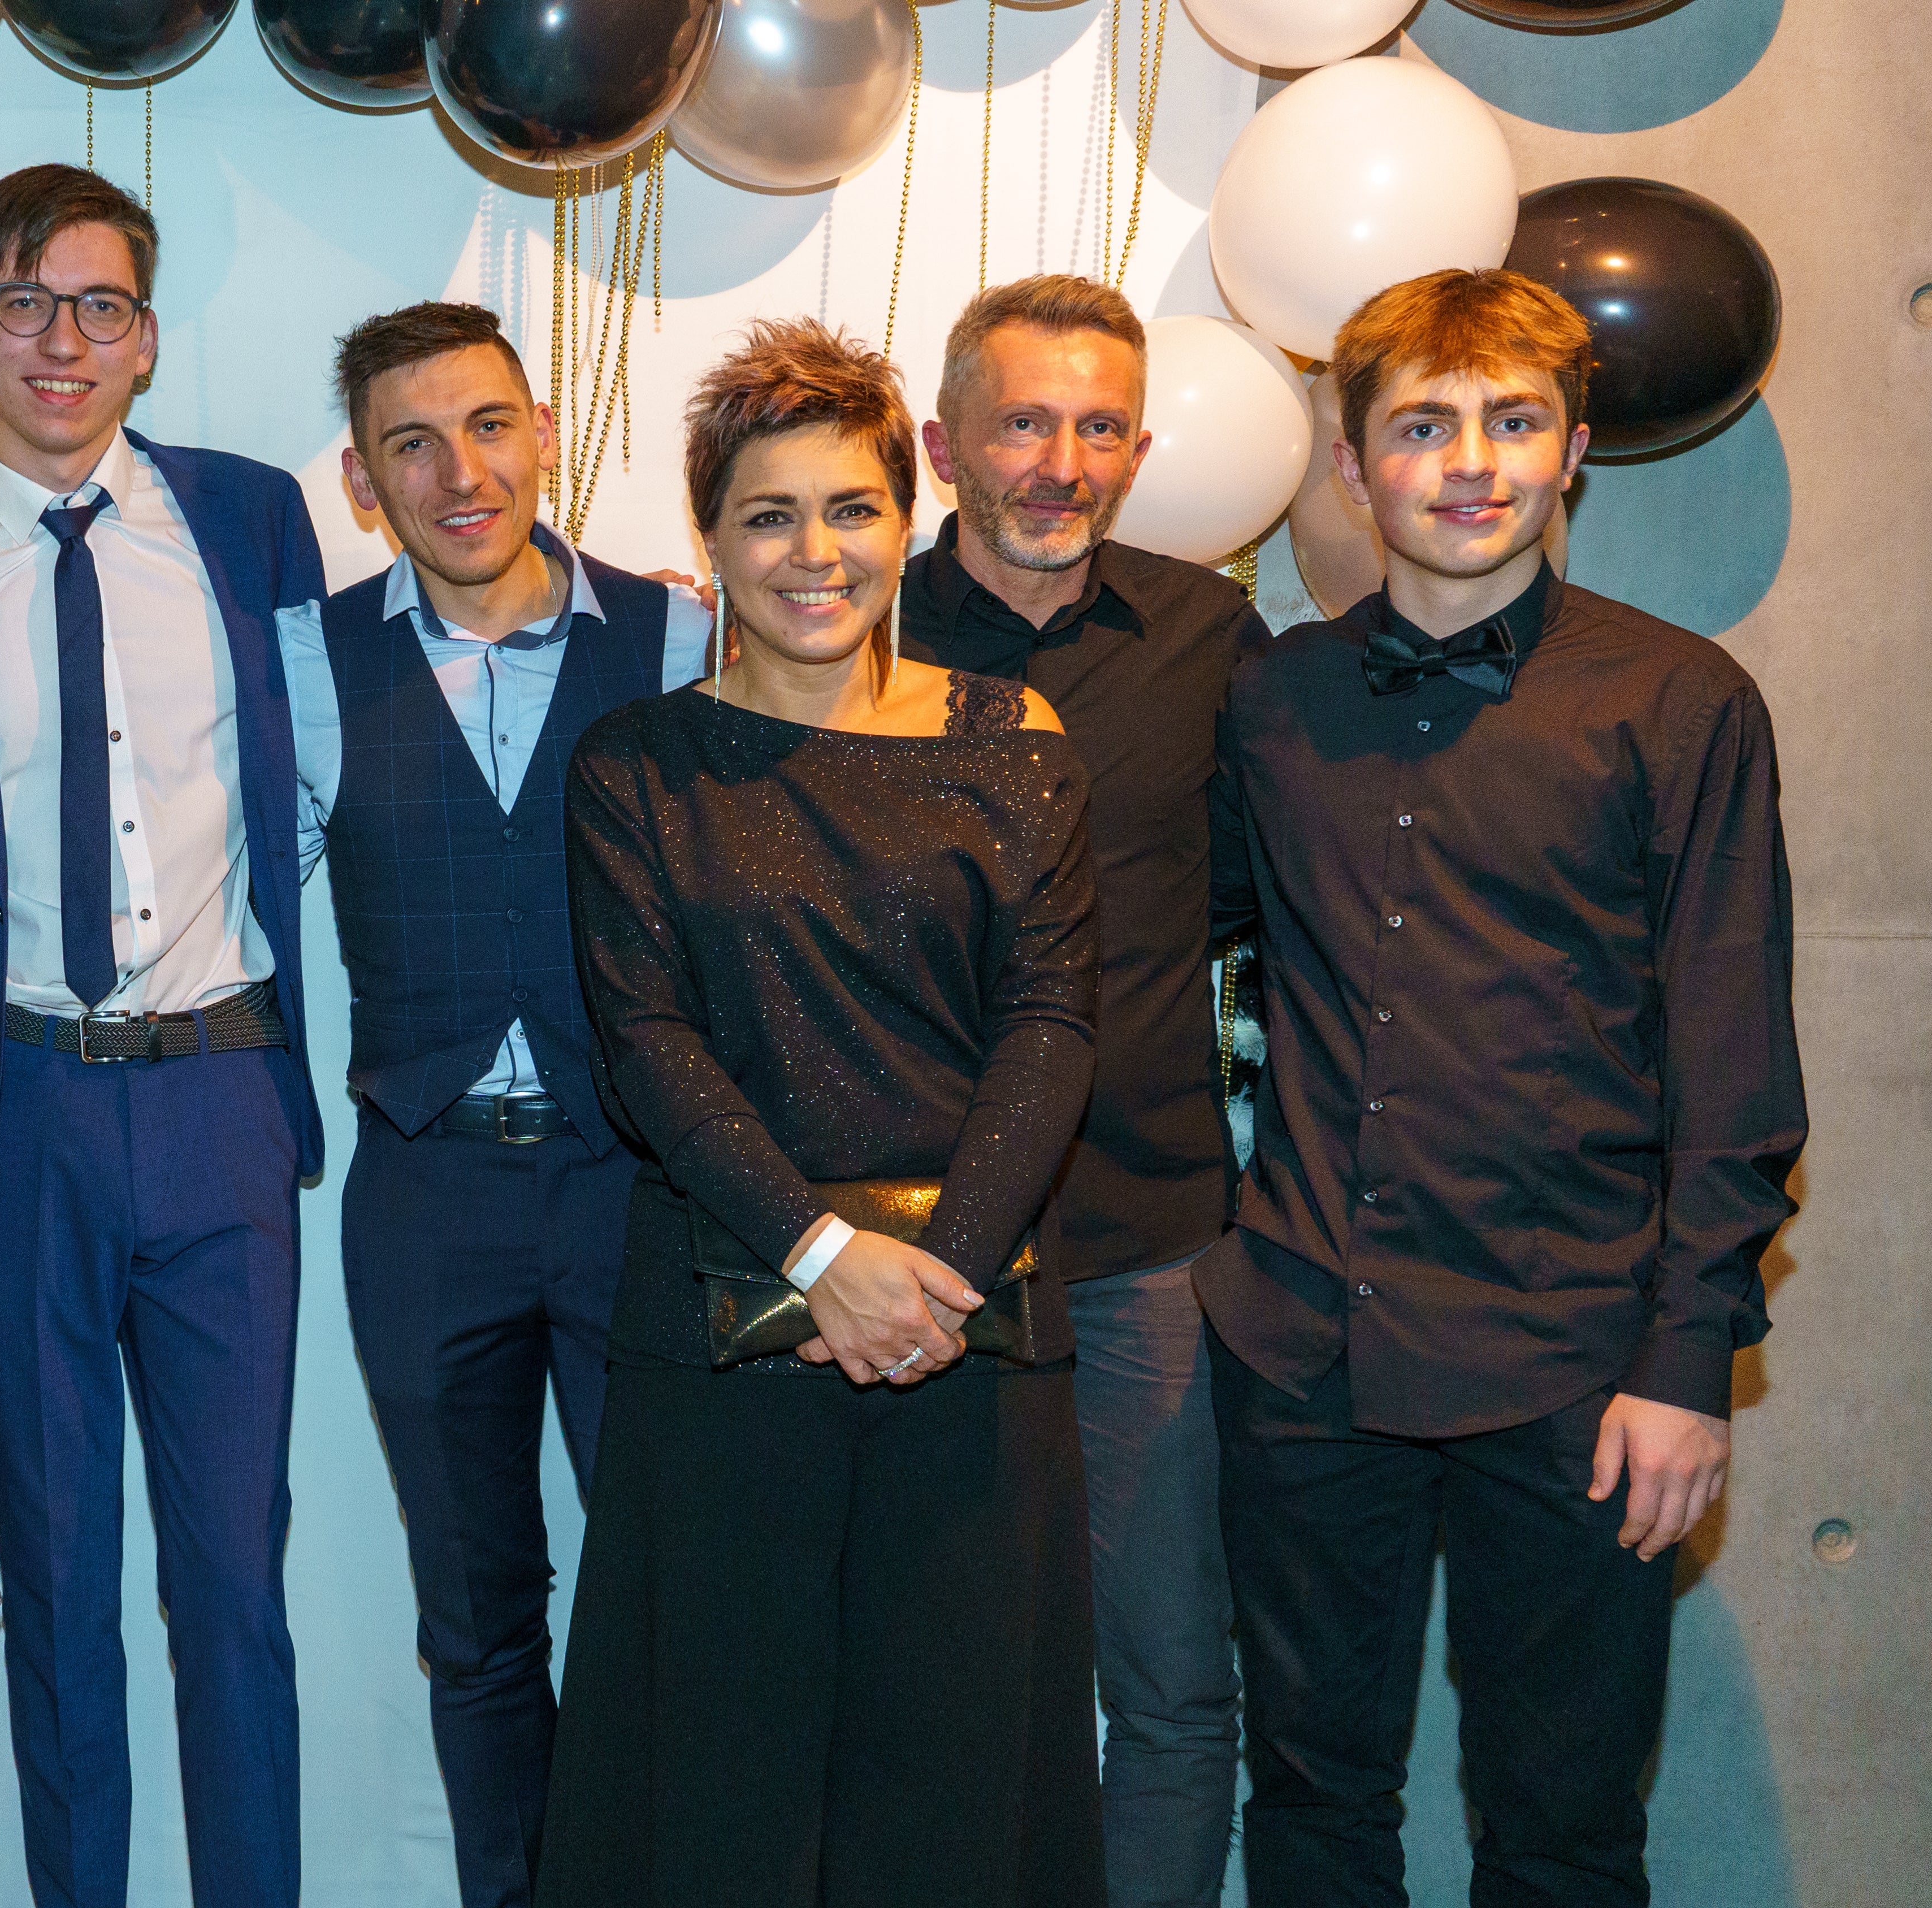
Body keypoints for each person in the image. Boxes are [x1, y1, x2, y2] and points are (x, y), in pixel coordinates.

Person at [1205, 267, 1804, 1907]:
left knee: (1565, 1830)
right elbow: (1164, 952)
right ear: (1353, 467)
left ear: (1573, 452)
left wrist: (1688, 1361)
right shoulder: (1272, 699)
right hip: (1307, 1345)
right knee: (1312, 1802)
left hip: (1579, 1364)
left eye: (1513, 421)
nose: (1471, 463)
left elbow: (1737, 1064)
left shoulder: (1683, 703)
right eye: (1423, 426)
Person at [539, 316, 1104, 1908]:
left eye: (851, 508)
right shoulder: (635, 766)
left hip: (971, 1336)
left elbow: (1053, 1023)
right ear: (712, 541)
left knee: (958, 1781)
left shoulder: (1016, 741)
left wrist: (941, 1275)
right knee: (721, 1787)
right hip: (723, 1339)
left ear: (905, 519)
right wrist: (822, 1258)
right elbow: (646, 1046)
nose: (815, 553)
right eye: (769, 515)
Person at [0, 163, 326, 1908]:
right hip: (12, 1119)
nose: (61, 340)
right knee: (55, 1590)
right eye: (22, 304)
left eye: (99, 305)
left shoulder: (252, 520)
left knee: (234, 1587)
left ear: (148, 338)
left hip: (222, 1099)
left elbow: (337, 741)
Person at [276, 300, 708, 1908]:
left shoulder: (679, 639)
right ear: (363, 480)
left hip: (636, 1188)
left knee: (667, 1598)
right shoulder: (303, 662)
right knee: (474, 1621)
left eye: (488, 425)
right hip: (425, 1194)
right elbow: (196, 903)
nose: (461, 472)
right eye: (413, 443)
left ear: (543, 434)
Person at [903, 274, 1270, 1908]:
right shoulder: (852, 629)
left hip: (1145, 1240)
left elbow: (1263, 899)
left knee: (1175, 1686)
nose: (1062, 463)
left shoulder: (1214, 639)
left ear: (1139, 450)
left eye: (1101, 426)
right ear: (943, 445)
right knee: (934, 1681)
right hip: (914, 1251)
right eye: (1025, 423)